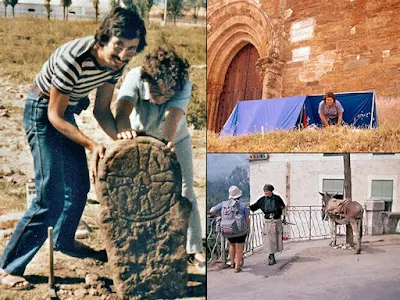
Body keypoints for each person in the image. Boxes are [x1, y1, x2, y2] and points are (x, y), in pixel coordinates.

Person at [0, 7, 147, 290]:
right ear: (104, 37)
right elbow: (54, 115)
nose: (124, 54)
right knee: (49, 196)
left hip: (66, 114)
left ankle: (64, 241)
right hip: (42, 111)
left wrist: (121, 141)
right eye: (119, 45)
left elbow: (102, 110)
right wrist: (92, 144)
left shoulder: (117, 63)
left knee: (79, 186)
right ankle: (8, 266)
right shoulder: (75, 58)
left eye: (132, 48)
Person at [115, 44, 205, 272]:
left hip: (175, 138)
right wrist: (125, 135)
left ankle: (194, 248)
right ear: (147, 81)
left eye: (167, 95)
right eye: (156, 93)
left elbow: (172, 117)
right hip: (139, 137)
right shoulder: (135, 77)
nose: (161, 98)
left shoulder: (183, 83)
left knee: (185, 189)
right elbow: (122, 111)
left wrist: (166, 145)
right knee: (140, 192)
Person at [209, 186, 250, 273]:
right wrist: (248, 227)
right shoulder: (243, 205)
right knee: (239, 247)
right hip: (240, 230)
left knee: (232, 244)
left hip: (227, 229)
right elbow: (247, 219)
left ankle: (232, 263)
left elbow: (212, 210)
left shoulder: (223, 204)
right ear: (239, 195)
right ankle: (237, 266)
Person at [250, 184, 286, 265]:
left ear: (271, 191)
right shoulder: (262, 200)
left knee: (275, 239)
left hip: (276, 220)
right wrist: (246, 208)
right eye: (264, 191)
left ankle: (273, 254)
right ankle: (271, 256)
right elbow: (255, 206)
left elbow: (283, 207)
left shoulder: (277, 198)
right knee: (269, 240)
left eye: (267, 191)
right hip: (268, 222)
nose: (265, 193)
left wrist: (283, 217)